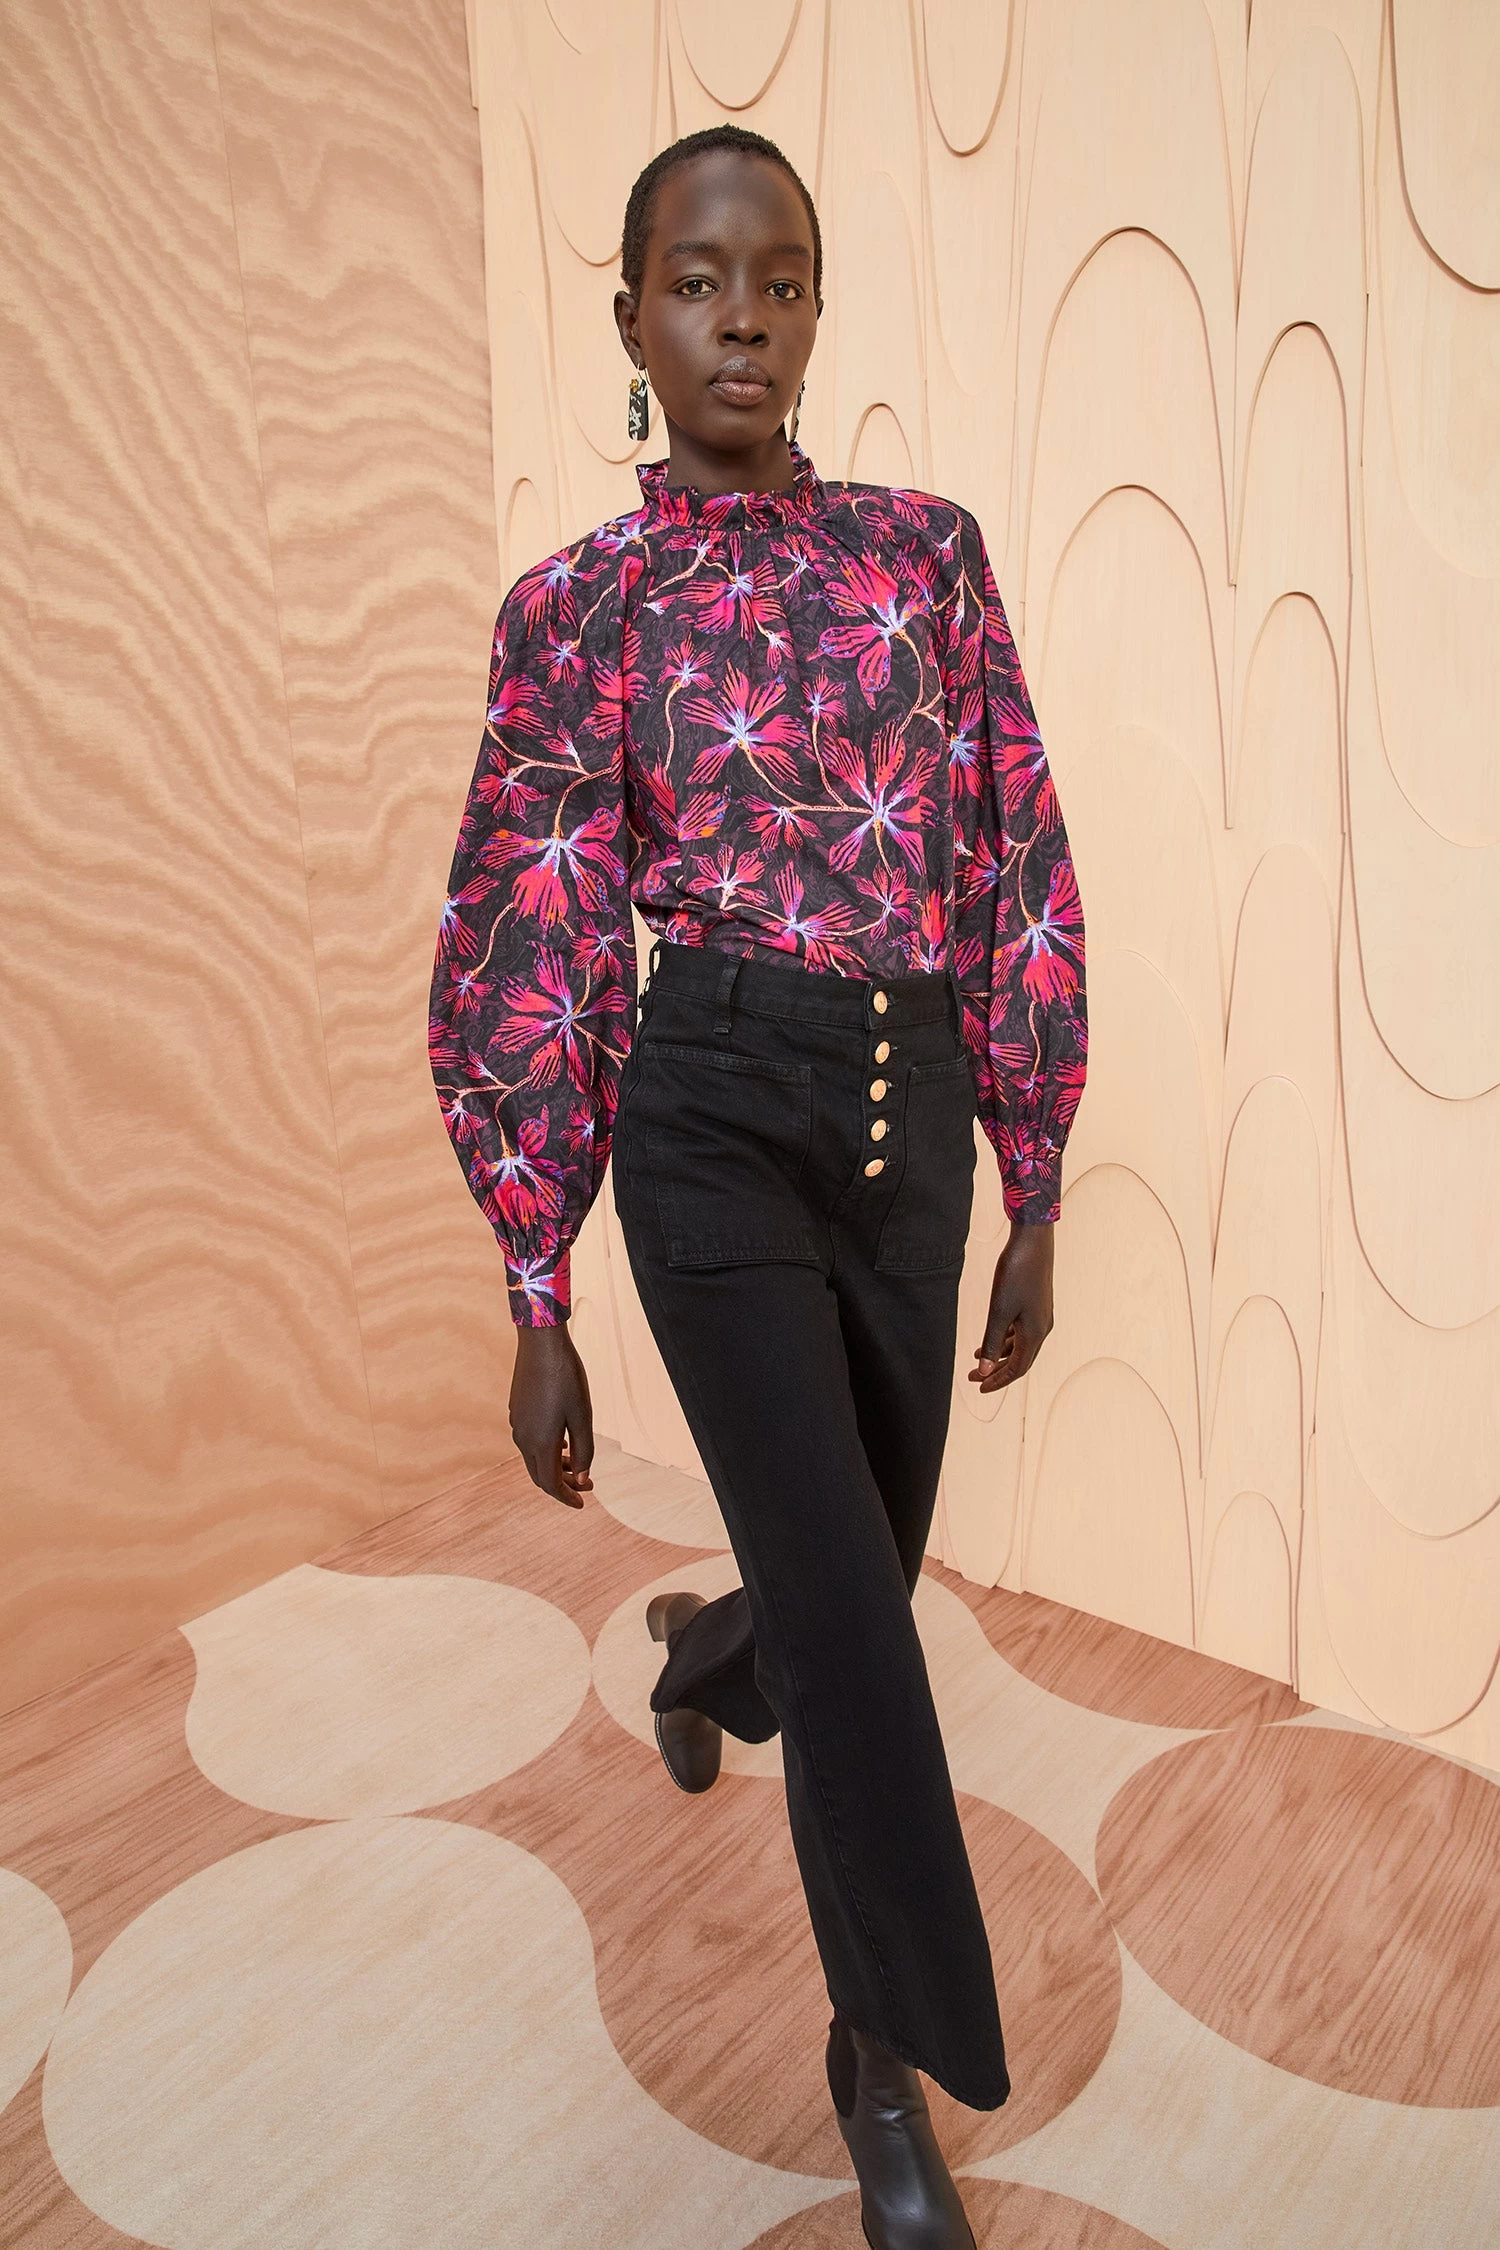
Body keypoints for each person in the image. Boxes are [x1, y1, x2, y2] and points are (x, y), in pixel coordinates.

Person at [429, 123, 1087, 2250]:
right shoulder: (577, 609)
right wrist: (534, 1283)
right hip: (707, 1111)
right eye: (698, 281)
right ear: (631, 316)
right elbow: (531, 921)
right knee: (869, 1655)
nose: (742, 319)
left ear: (815, 310)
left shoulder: (926, 559)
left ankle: (710, 1662)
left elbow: (1009, 854)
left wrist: (1034, 1169)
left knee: (852, 1577)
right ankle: (882, 2061)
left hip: (910, 1119)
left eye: (778, 280)